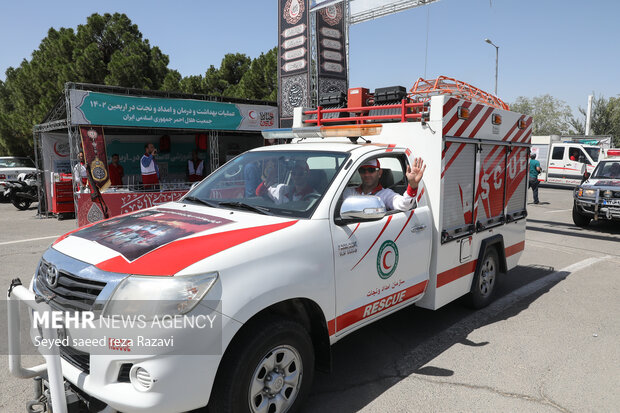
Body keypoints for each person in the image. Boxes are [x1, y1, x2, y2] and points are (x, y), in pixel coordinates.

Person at [343, 157, 426, 211]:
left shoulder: (386, 194)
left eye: (371, 170)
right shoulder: (349, 192)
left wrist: (412, 185)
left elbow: (404, 205)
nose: (366, 174)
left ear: (379, 173)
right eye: (362, 170)